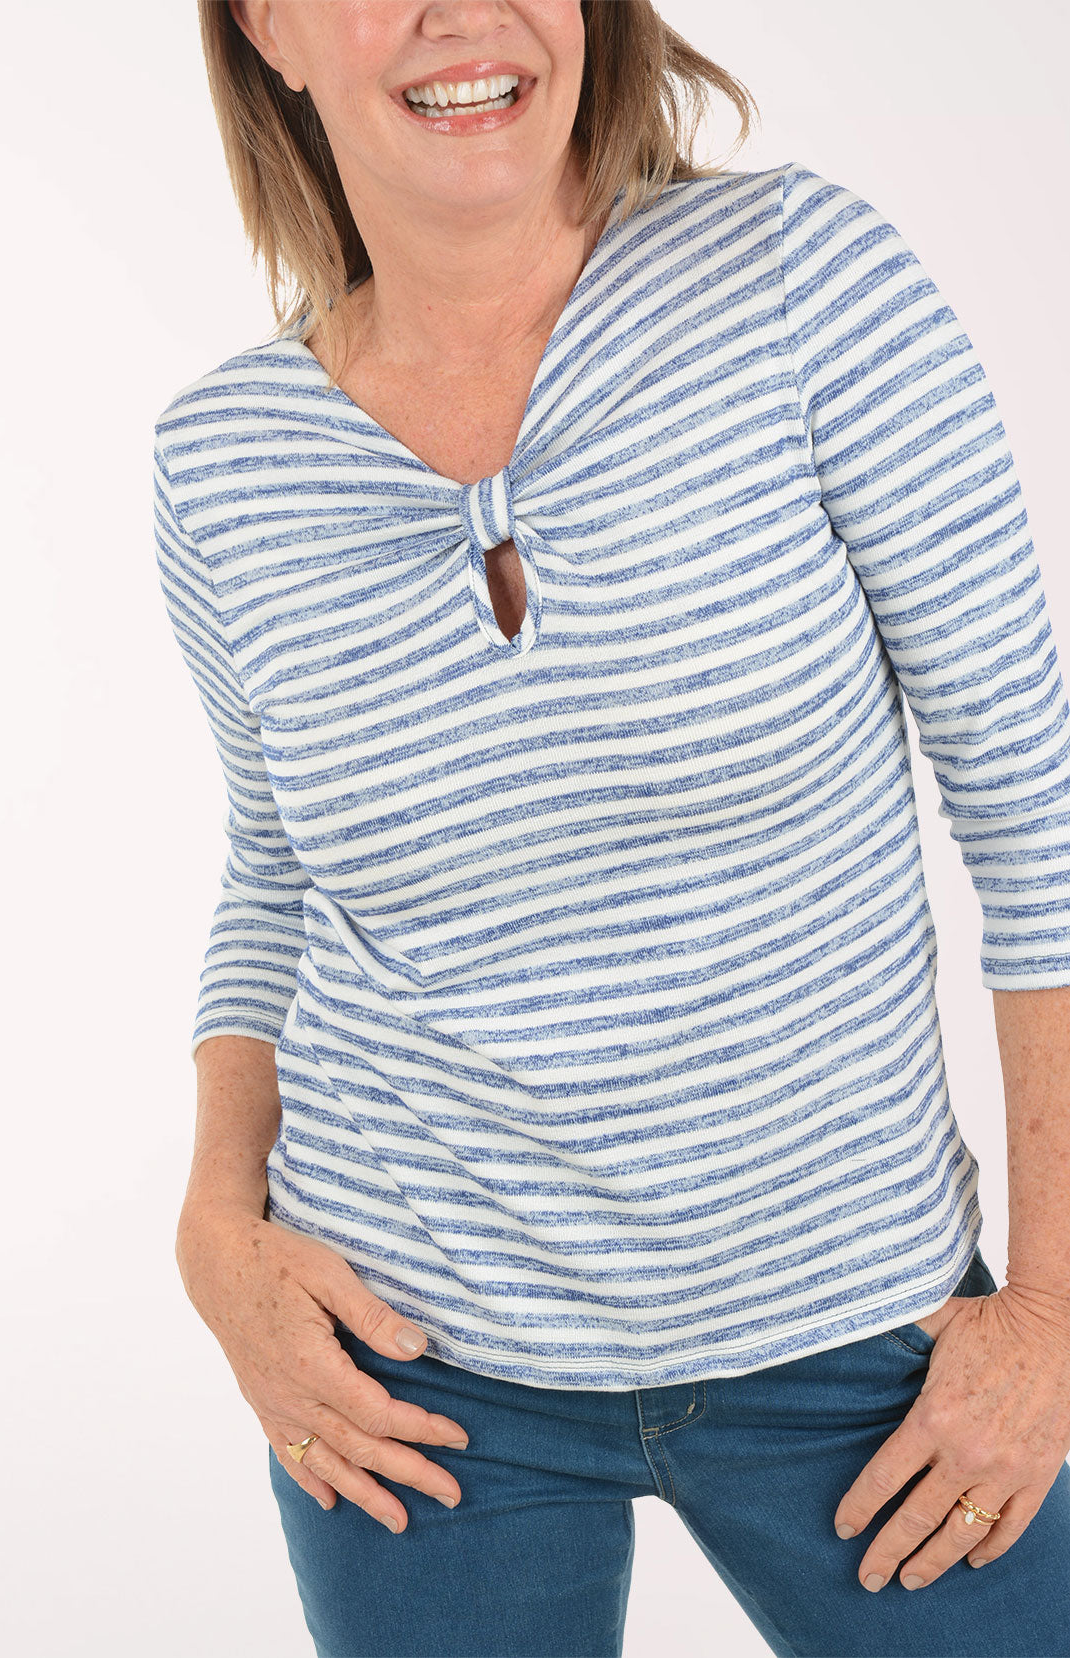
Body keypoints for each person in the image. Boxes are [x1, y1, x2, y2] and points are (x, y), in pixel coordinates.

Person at [152, 3, 1070, 1654]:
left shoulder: (797, 285)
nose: (460, 14)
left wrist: (1059, 1314)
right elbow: (273, 866)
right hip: (415, 1384)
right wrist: (218, 1223)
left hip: (861, 1346)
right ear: (268, 28)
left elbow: (1039, 821)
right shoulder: (222, 462)